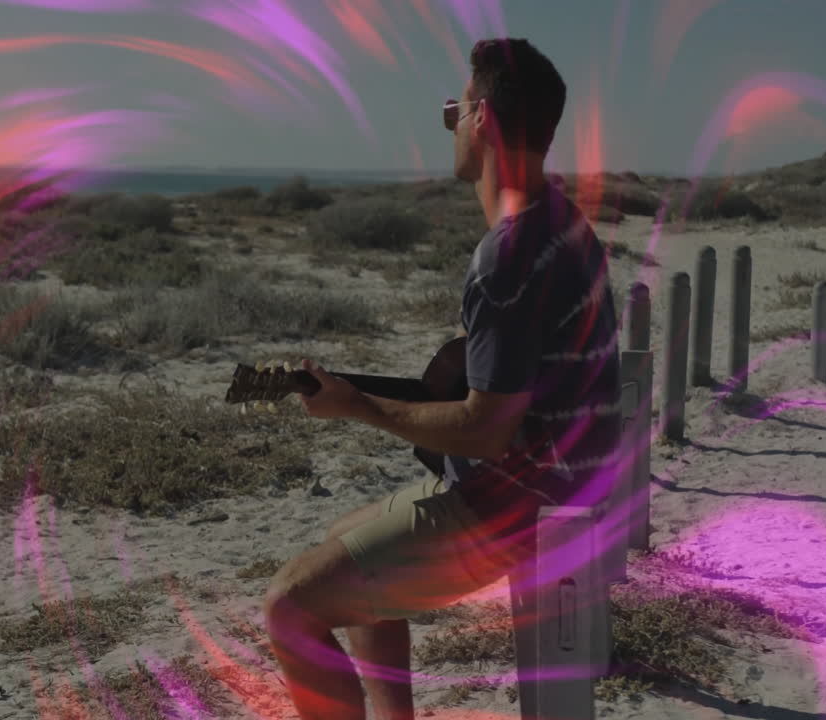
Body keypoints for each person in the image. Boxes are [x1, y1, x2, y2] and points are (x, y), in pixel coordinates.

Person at [261, 38, 622, 720]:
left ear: (482, 119)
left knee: (288, 606)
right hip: (566, 484)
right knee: (346, 536)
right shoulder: (562, 224)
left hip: (517, 513)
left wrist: (358, 405)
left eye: (453, 111)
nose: (452, 127)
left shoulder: (507, 256)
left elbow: (486, 430)